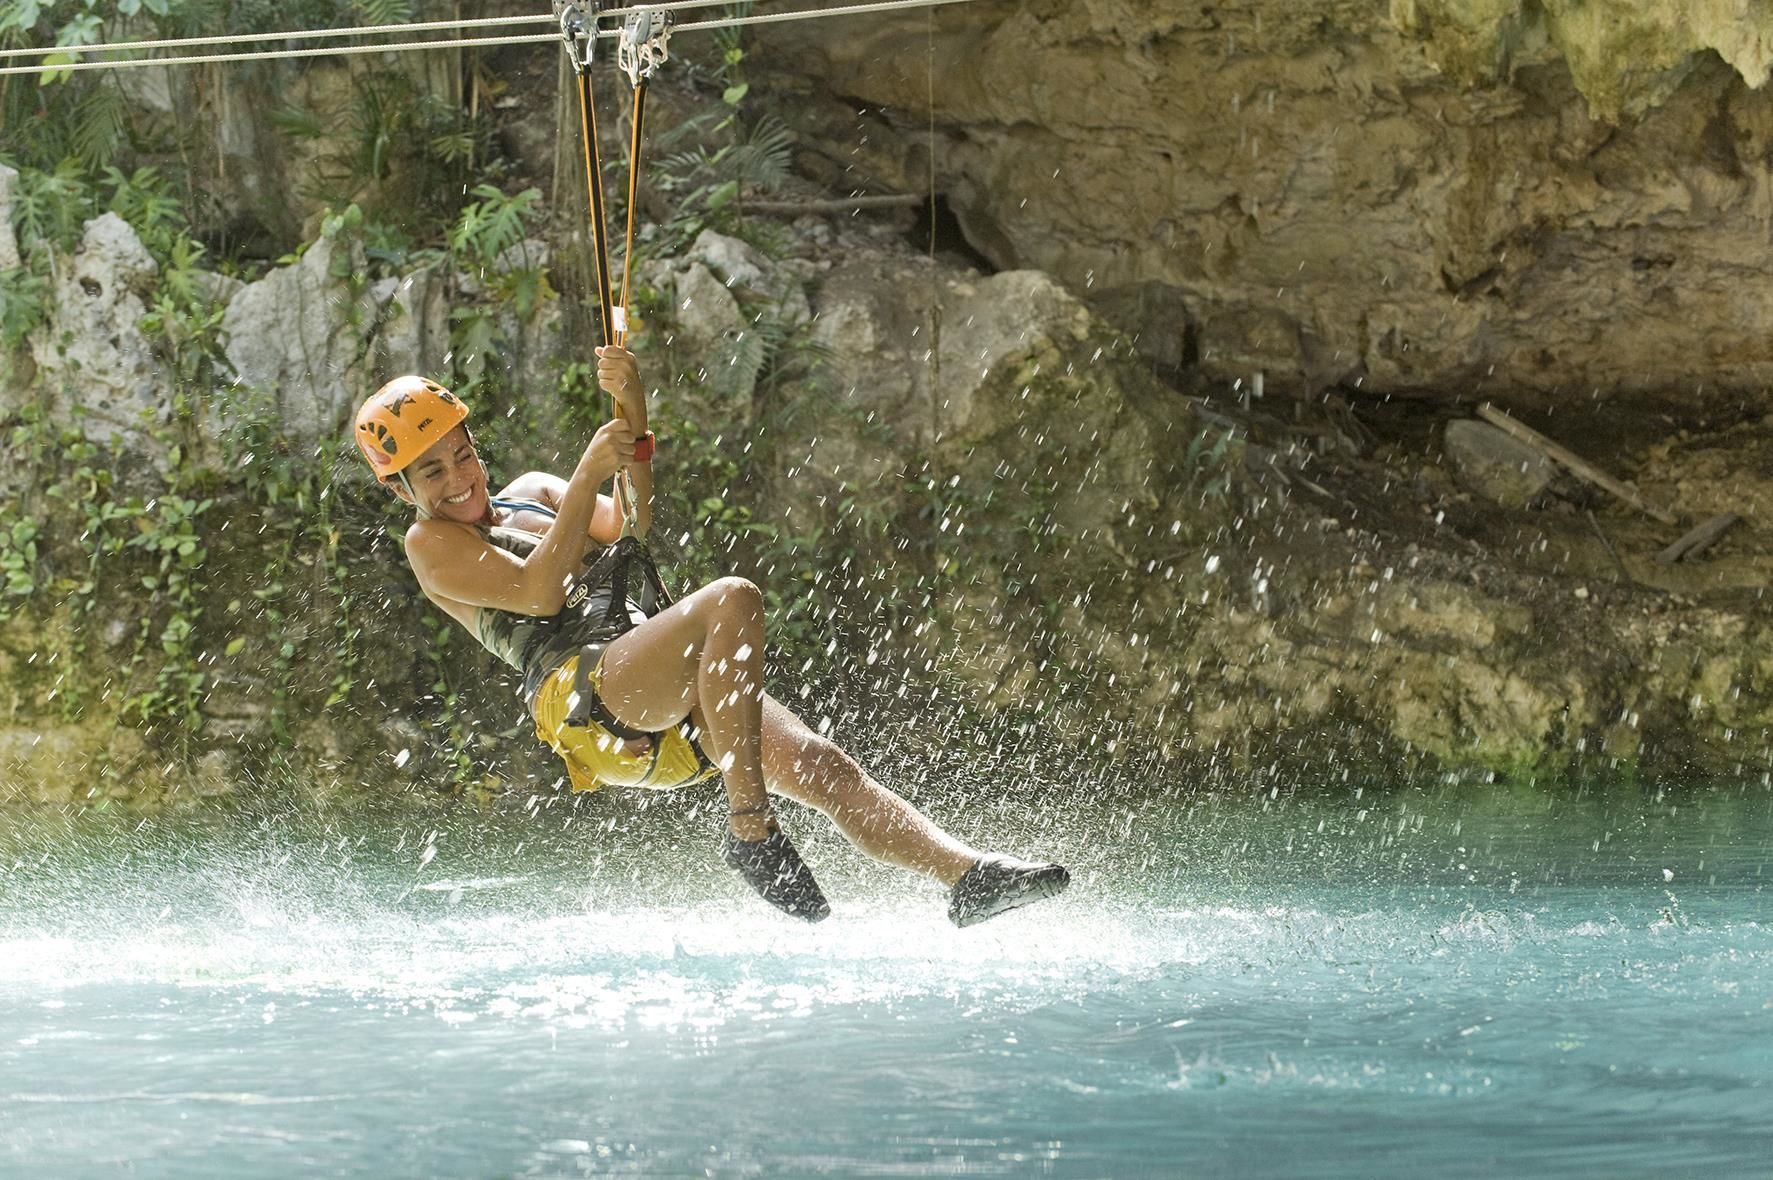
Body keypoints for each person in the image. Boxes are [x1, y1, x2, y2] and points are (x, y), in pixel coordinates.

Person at [353, 345, 1069, 926]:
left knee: (822, 766)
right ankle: (751, 829)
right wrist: (584, 473)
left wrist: (631, 411)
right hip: (584, 699)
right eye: (431, 472)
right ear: (400, 489)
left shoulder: (533, 491)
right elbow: (536, 590)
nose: (458, 480)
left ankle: (967, 878)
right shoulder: (429, 545)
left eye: (463, 456)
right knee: (731, 597)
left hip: (652, 676)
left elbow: (632, 520)